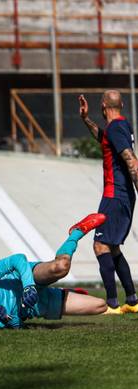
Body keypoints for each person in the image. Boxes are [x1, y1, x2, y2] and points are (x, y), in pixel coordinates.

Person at [0, 213, 108, 329]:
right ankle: (62, 292)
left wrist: (28, 286)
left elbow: (17, 259)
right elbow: (17, 325)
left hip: (27, 279)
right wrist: (4, 318)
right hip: (37, 305)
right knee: (101, 306)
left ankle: (76, 232)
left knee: (61, 267)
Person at [79, 91, 138, 313]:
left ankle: (112, 304)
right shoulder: (120, 126)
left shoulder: (116, 128)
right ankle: (132, 301)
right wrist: (86, 120)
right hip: (122, 195)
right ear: (121, 104)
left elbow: (131, 160)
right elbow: (104, 139)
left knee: (100, 245)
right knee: (112, 248)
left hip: (115, 195)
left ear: (103, 105)